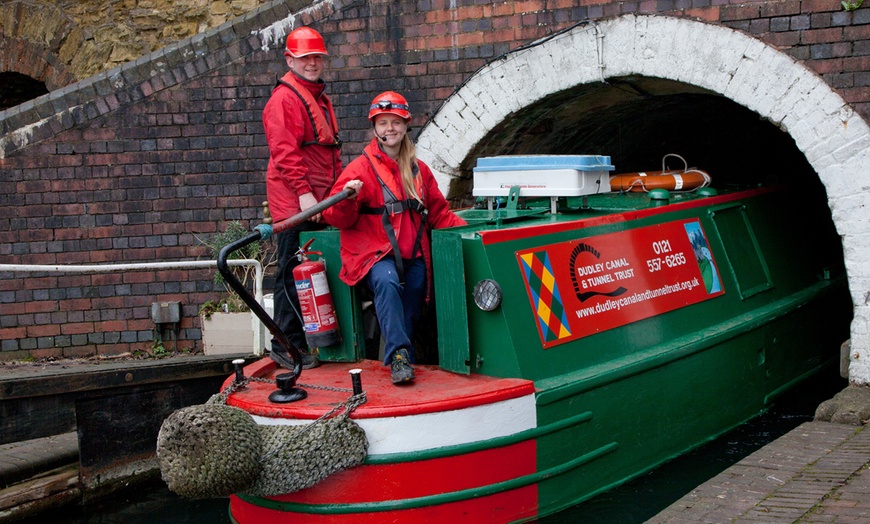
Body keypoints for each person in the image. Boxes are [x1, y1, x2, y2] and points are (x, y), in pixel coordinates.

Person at [323, 91, 466, 384]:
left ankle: (408, 353)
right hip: (373, 256)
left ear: (406, 125)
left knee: (415, 291)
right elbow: (336, 217)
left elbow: (440, 213)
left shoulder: (419, 170)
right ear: (374, 127)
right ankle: (398, 356)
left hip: (412, 255)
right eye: (383, 123)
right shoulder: (359, 169)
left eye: (396, 122)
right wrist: (349, 198)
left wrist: (469, 232)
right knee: (387, 283)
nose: (390, 129)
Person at [262, 26, 342, 370]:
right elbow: (285, 154)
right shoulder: (283, 100)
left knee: (310, 271)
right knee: (292, 274)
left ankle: (307, 341)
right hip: (297, 202)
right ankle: (286, 345)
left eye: (317, 58)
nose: (312, 63)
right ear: (290, 59)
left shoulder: (317, 97)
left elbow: (327, 152)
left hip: (317, 200)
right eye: (305, 57)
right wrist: (305, 195)